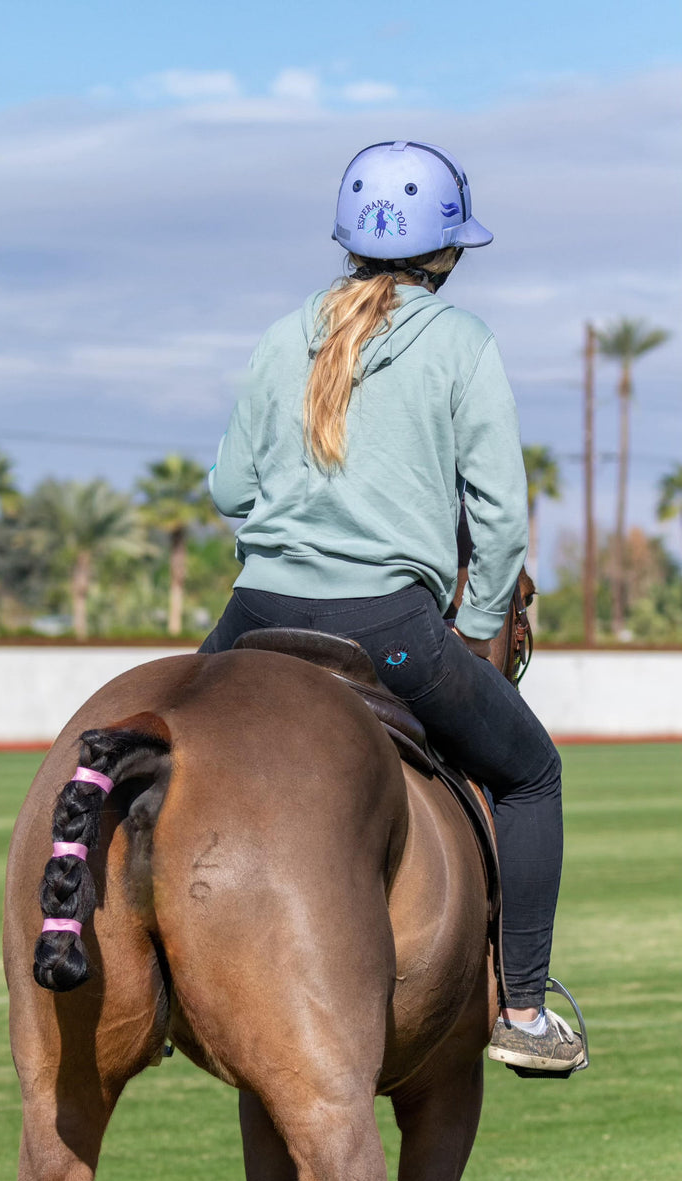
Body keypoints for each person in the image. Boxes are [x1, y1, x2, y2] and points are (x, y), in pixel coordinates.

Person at [199, 140, 584, 1074]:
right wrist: (477, 623)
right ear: (447, 253)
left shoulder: (282, 331)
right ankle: (525, 1013)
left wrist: (295, 529)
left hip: (253, 618)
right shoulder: (461, 342)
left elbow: (227, 486)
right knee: (532, 773)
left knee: (159, 743)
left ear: (349, 244)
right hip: (390, 630)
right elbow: (496, 519)